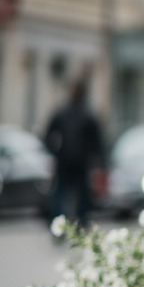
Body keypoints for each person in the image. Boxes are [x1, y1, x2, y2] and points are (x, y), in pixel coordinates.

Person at [43, 75, 105, 228]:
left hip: (68, 160)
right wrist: (99, 162)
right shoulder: (87, 114)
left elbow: (48, 136)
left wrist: (55, 152)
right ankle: (78, 223)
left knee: (62, 192)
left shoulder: (64, 113)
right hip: (79, 162)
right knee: (78, 194)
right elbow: (98, 143)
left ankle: (60, 223)